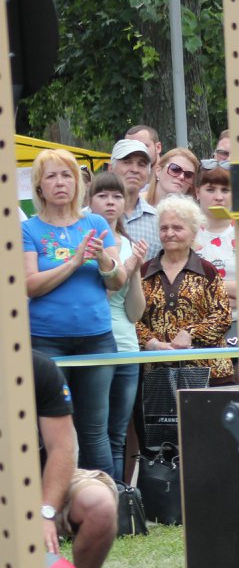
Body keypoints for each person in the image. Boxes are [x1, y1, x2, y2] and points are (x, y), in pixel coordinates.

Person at [23, 148, 127, 474]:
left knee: (95, 430)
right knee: (53, 432)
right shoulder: (29, 229)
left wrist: (103, 259)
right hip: (46, 342)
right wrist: (74, 262)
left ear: (78, 183)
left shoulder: (95, 222)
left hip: (97, 339)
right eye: (51, 176)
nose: (60, 183)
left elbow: (118, 279)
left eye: (66, 175)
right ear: (39, 187)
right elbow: (30, 285)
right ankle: (53, 500)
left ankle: (107, 500)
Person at [33, 350, 118, 568]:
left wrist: (45, 512)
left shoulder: (38, 368)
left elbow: (62, 449)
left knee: (98, 504)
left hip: (43, 481)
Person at [136, 195, 234, 384]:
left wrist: (190, 333)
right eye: (164, 228)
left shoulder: (207, 271)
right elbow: (131, 318)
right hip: (159, 375)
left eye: (177, 228)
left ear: (194, 232)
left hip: (209, 372)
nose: (169, 233)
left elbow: (223, 316)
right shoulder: (144, 272)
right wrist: (152, 343)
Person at [87, 171, 146, 482]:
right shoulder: (83, 243)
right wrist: (126, 267)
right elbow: (95, 299)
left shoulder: (129, 244)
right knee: (91, 430)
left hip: (125, 345)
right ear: (89, 200)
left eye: (117, 196)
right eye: (103, 195)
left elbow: (135, 313)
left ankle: (119, 499)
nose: (110, 202)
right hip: (91, 344)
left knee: (118, 433)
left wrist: (133, 271)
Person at [194, 160, 238, 315]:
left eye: (225, 190)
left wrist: (208, 290)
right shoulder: (185, 233)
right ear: (197, 192)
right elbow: (180, 286)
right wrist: (231, 292)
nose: (219, 197)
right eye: (211, 189)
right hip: (197, 323)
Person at [109, 138, 161, 260]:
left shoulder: (158, 221)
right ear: (110, 169)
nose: (135, 169)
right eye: (127, 162)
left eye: (141, 164)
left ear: (148, 173)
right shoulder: (87, 217)